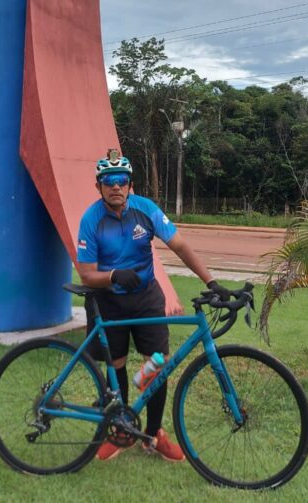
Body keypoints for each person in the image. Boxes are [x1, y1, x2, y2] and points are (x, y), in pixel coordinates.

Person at [76, 148, 229, 462]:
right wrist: (115, 275)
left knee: (158, 364)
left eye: (121, 180)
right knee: (115, 366)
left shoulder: (145, 209)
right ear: (98, 186)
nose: (115, 186)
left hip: (146, 298)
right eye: (108, 180)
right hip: (110, 302)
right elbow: (87, 274)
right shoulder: (91, 220)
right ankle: (121, 433)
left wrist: (210, 282)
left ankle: (155, 434)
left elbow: (180, 245)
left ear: (130, 184)